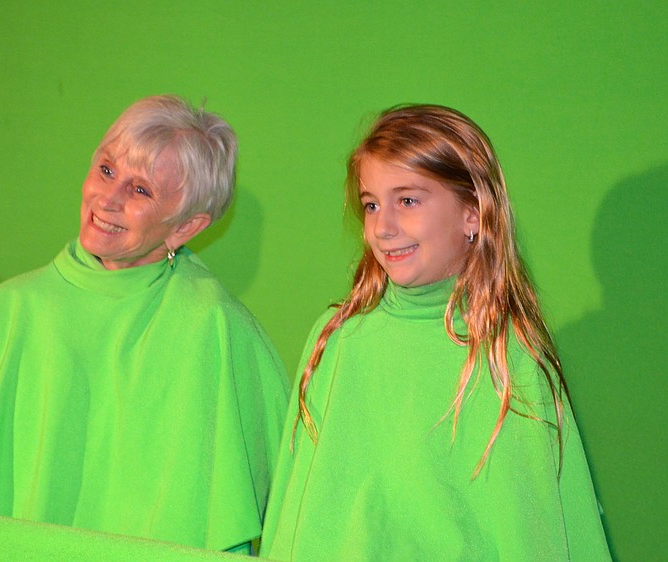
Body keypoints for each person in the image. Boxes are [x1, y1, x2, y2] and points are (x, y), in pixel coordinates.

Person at [0, 94, 289, 554]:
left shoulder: (216, 329)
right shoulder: (10, 313)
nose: (108, 199)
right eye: (106, 169)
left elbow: (291, 502)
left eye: (141, 191)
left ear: (185, 227)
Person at [259, 104, 611, 560]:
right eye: (371, 205)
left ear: (472, 213)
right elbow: (299, 515)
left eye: (407, 200)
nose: (383, 228)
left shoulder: (508, 357)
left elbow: (534, 530)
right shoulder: (340, 341)